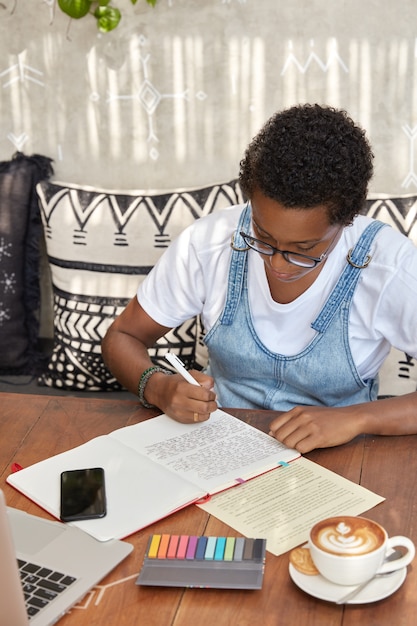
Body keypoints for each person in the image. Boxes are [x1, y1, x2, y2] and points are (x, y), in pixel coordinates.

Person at [102, 103, 417, 453]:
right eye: (263, 237)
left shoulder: (390, 268)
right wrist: (156, 387)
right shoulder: (210, 243)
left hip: (340, 454)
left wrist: (357, 418)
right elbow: (122, 336)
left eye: (304, 248)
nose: (278, 264)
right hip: (218, 443)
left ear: (346, 222)